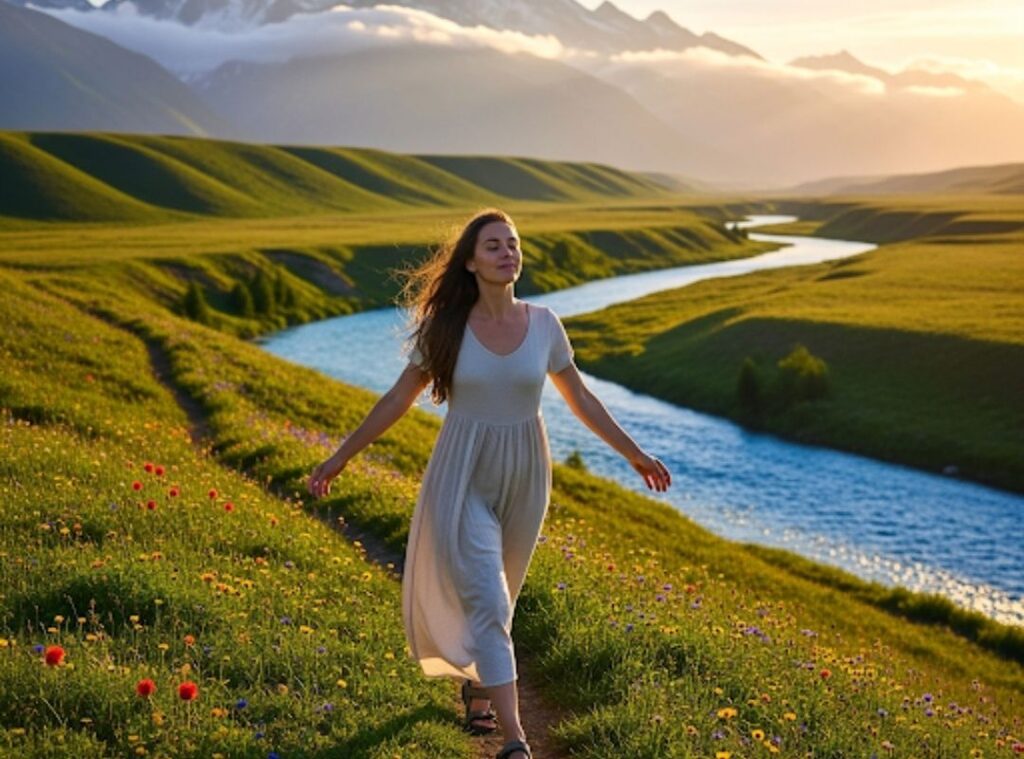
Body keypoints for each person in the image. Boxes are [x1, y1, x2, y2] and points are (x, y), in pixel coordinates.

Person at [307, 208, 671, 759]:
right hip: (463, 471)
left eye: (513, 243)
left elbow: (580, 397)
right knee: (491, 599)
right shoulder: (446, 328)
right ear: (472, 263)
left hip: (527, 471)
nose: (507, 253)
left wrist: (634, 454)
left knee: (506, 591)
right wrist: (340, 457)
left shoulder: (545, 324)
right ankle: (515, 739)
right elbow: (398, 398)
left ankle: (478, 686)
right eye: (494, 245)